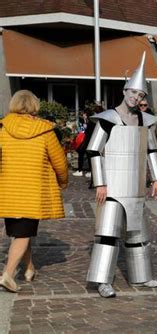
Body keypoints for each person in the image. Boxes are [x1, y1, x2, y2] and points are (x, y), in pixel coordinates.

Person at [85, 52, 157, 298]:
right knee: (107, 235)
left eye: (140, 95)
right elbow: (94, 150)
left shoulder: (146, 120)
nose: (136, 97)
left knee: (138, 235)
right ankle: (102, 280)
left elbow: (151, 148)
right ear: (124, 90)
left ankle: (142, 276)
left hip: (136, 187)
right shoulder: (108, 120)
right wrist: (101, 183)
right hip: (111, 188)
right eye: (133, 93)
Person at [0, 90, 68, 293]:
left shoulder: (2, 129)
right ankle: (8, 274)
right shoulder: (45, 131)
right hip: (32, 191)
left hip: (8, 190)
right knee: (23, 233)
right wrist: (63, 182)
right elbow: (60, 163)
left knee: (20, 232)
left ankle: (29, 268)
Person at [73, 111, 92, 177]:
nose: (83, 115)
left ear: (86, 115)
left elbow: (85, 130)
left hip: (86, 140)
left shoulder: (90, 122)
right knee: (84, 154)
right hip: (86, 139)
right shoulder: (85, 121)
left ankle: (81, 170)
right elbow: (81, 130)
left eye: (84, 114)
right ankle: (85, 171)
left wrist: (85, 125)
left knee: (83, 153)